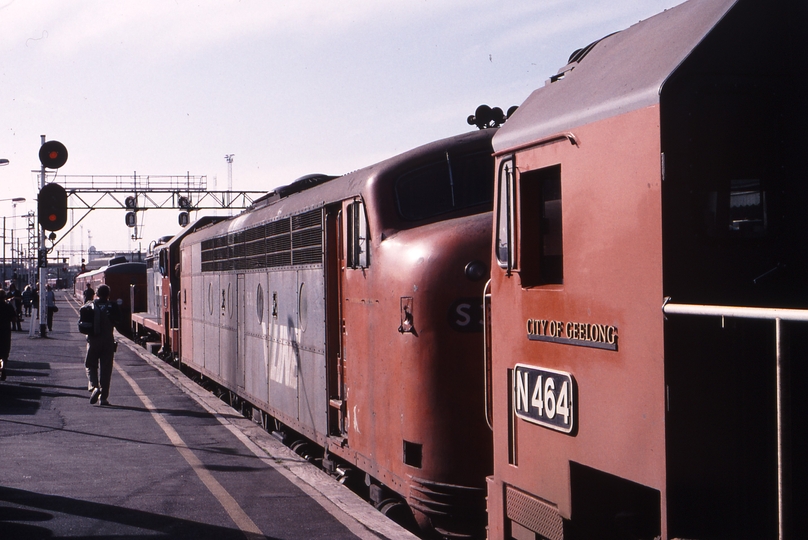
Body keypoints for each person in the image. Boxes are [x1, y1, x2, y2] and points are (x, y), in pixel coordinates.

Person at [86, 284, 121, 406]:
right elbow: (119, 322)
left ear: (97, 293)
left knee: (91, 365)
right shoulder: (112, 306)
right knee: (106, 369)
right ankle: (103, 398)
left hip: (93, 341)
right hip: (108, 341)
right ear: (108, 294)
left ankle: (95, 386)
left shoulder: (90, 305)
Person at [0, 290, 18, 381]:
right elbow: (14, 319)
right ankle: (3, 367)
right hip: (5, 331)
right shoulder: (8, 307)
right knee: (5, 352)